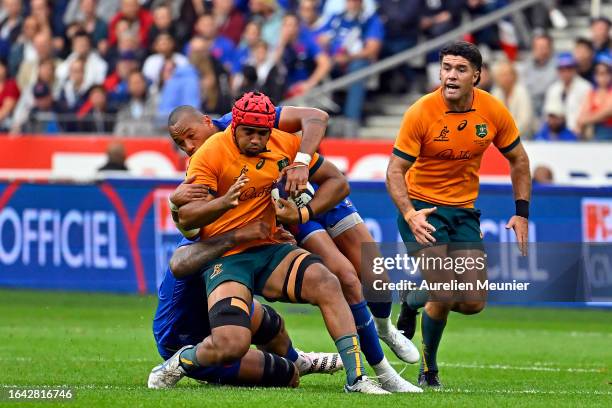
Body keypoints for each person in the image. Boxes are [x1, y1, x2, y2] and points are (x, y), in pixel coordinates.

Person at [167, 104, 421, 393]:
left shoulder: (251, 118)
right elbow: (191, 224)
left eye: (189, 136)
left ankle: (385, 327)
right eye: (180, 143)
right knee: (344, 279)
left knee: (376, 277)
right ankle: (380, 372)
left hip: (311, 192)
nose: (188, 146)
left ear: (206, 121)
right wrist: (177, 205)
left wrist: (301, 161)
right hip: (284, 215)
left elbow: (317, 117)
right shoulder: (206, 157)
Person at [389, 42, 531, 387]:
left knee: (472, 303)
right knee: (444, 287)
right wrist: (409, 214)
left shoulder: (492, 111)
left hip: (464, 212)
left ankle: (411, 299)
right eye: (447, 68)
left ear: (476, 76)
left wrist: (522, 213)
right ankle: (428, 369)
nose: (451, 75)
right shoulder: (421, 112)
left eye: (460, 69)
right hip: (424, 210)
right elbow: (395, 172)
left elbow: (520, 160)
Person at [150, 218, 342, 388]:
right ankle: (189, 361)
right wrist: (240, 236)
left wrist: (274, 241)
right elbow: (178, 263)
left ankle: (300, 361)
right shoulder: (210, 232)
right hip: (181, 336)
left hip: (213, 312)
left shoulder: (244, 224)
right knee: (286, 374)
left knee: (272, 323)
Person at [543, 52, 592, 133]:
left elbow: (586, 115)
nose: (565, 72)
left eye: (569, 68)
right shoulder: (553, 89)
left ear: (575, 69)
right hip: (557, 133)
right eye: (562, 69)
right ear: (558, 71)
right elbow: (548, 115)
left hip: (580, 134)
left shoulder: (586, 87)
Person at [491, 60, 534, 137]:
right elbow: (492, 119)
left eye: (508, 74)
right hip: (501, 138)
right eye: (502, 75)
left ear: (514, 76)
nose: (506, 78)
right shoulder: (495, 93)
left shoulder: (521, 92)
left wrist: (507, 135)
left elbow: (525, 121)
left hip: (523, 137)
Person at [576, 54, 612, 141]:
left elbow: (608, 111)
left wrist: (588, 119)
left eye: (607, 73)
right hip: (597, 135)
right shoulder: (591, 94)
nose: (603, 77)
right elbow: (580, 118)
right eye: (600, 73)